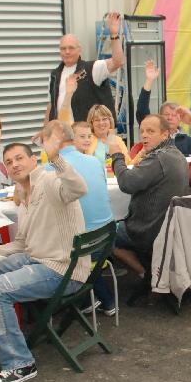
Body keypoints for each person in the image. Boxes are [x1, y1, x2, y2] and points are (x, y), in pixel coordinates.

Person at [0, 135, 90, 382]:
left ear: (33, 160)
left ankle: (20, 363)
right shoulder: (23, 194)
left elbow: (78, 189)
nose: (14, 164)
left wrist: (56, 158)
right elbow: (22, 243)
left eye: (19, 158)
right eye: (8, 162)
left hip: (61, 268)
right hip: (36, 258)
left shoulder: (49, 181)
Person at [106, 114, 191, 293]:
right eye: (142, 131)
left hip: (148, 231)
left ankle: (146, 273)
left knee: (106, 235)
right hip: (171, 229)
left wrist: (116, 155)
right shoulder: (176, 154)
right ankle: (153, 270)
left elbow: (127, 183)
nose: (144, 135)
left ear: (165, 134)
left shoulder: (159, 158)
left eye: (151, 131)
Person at [48, 121, 117, 317]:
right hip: (107, 240)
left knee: (44, 247)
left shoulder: (50, 169)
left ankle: (85, 299)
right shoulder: (95, 162)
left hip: (84, 247)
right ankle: (95, 299)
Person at [45, 14, 124, 126]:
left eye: (71, 48)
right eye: (63, 48)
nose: (67, 52)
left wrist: (114, 35)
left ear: (80, 50)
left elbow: (118, 61)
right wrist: (46, 130)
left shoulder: (92, 68)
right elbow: (51, 105)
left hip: (87, 134)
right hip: (63, 133)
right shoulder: (54, 75)